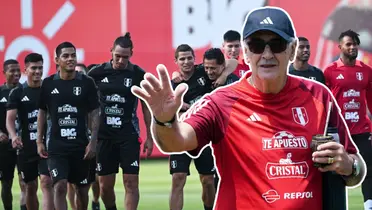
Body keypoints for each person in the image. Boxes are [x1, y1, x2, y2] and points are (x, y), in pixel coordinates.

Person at [132, 7, 365, 209]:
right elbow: (176, 140)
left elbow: (357, 167)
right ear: (246, 51)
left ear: (291, 50)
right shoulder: (221, 102)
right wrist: (164, 121)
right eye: (256, 45)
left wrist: (349, 166)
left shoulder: (319, 96)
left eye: (276, 44)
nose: (266, 54)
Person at [87, 32, 152, 210]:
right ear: (111, 51)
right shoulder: (96, 73)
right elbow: (87, 105)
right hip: (104, 136)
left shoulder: (138, 74)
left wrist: (150, 136)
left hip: (128, 136)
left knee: (131, 183)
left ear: (131, 53)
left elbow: (146, 106)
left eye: (125, 56)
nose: (121, 60)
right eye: (118, 56)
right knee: (105, 186)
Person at [36, 42, 100, 210]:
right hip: (57, 147)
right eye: (65, 56)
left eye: (73, 55)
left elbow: (95, 113)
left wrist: (93, 142)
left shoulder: (87, 83)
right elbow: (42, 112)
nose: (70, 59)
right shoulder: (48, 84)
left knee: (82, 191)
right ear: (57, 60)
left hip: (81, 146)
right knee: (60, 186)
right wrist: (39, 141)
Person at [323, 29, 372, 210]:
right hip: (340, 131)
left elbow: (371, 100)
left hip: (362, 130)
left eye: (355, 44)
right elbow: (325, 101)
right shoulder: (329, 71)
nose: (352, 47)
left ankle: (368, 206)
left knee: (369, 170)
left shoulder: (366, 71)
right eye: (348, 44)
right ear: (340, 47)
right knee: (337, 172)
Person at [6, 53, 54, 210]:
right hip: (26, 147)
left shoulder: (50, 90)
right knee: (30, 187)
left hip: (48, 146)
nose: (38, 71)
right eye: (34, 68)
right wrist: (13, 136)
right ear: (25, 70)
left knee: (47, 183)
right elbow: (10, 119)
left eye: (40, 67)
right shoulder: (17, 93)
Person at [68, 63, 101, 210]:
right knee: (70, 182)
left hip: (93, 140)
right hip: (71, 142)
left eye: (81, 72)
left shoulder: (94, 92)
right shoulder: (65, 94)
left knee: (95, 179)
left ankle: (95, 201)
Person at [0, 59, 28, 210]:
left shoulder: (25, 91)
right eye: (12, 71)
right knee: (6, 183)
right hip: (4, 146)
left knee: (25, 182)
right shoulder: (0, 92)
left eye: (18, 70)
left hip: (24, 144)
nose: (16, 74)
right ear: (4, 73)